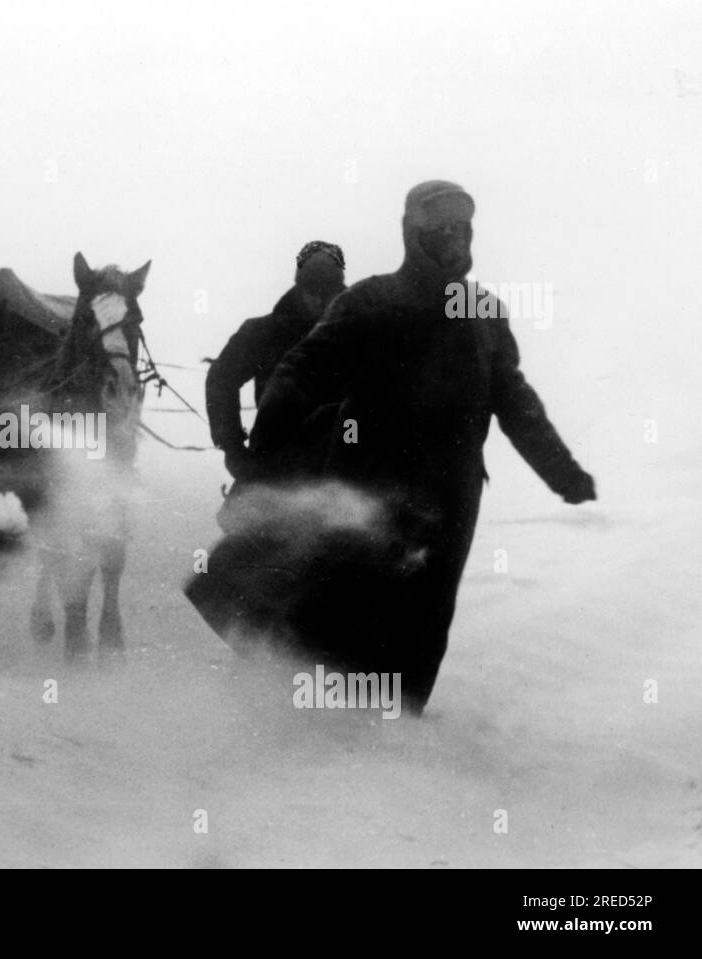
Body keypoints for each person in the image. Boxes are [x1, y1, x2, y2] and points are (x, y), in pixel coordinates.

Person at [248, 180, 597, 714]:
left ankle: (399, 734)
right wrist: (265, 449)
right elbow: (303, 370)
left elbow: (516, 401)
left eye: (463, 227)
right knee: (345, 596)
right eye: (442, 227)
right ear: (413, 233)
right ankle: (316, 729)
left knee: (428, 613)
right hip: (368, 477)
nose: (455, 237)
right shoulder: (368, 300)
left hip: (452, 493)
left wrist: (563, 473)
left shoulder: (482, 312)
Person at [205, 241, 347, 494]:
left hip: (344, 467)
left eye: (327, 290)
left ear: (339, 290)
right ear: (299, 287)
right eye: (311, 289)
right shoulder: (263, 333)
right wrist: (233, 448)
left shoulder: (361, 334)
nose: (318, 299)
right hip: (273, 466)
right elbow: (221, 379)